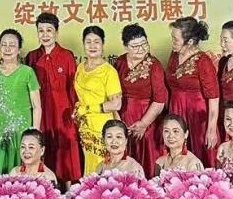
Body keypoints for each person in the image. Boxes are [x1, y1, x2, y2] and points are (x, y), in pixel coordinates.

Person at [26, 12, 81, 184]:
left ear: (56, 32)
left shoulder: (67, 55)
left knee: (66, 149)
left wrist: (74, 113)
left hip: (63, 112)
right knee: (44, 146)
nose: (45, 35)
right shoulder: (32, 57)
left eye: (49, 30)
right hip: (41, 112)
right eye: (41, 31)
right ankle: (46, 188)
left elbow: (73, 87)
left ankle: (69, 190)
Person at [0, 28, 42, 176]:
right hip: (1, 132)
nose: (7, 49)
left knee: (24, 168)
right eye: (4, 44)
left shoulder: (27, 72)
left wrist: (35, 135)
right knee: (3, 171)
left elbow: (37, 106)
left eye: (12, 45)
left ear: (19, 50)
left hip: (23, 131)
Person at [113, 23, 168, 178]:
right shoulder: (120, 62)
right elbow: (111, 93)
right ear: (126, 47)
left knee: (147, 155)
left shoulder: (154, 65)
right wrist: (117, 120)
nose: (141, 49)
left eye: (144, 44)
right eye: (135, 46)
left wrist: (144, 124)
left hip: (147, 118)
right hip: (123, 116)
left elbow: (159, 100)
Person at [165, 17, 220, 157]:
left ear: (189, 41)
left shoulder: (203, 61)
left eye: (176, 40)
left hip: (197, 115)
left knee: (200, 152)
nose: (173, 42)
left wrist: (211, 129)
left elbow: (213, 97)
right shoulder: (174, 56)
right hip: (176, 110)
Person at [74, 25, 123, 175]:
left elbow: (116, 104)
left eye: (96, 42)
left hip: (102, 127)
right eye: (88, 42)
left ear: (103, 44)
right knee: (89, 165)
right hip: (85, 127)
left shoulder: (108, 71)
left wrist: (88, 109)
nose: (92, 46)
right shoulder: (80, 67)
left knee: (102, 167)